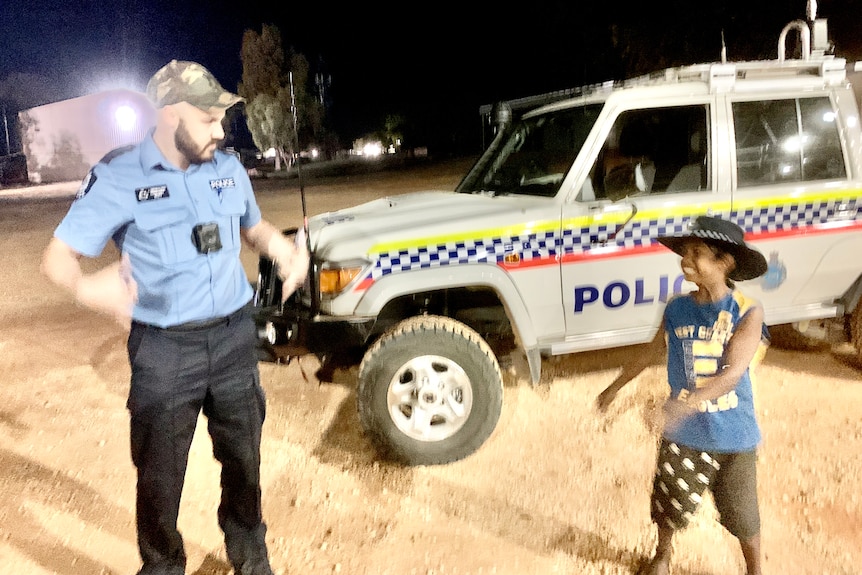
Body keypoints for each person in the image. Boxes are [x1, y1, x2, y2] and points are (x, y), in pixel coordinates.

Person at [41, 60, 309, 575]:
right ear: (168, 115)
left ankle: (250, 551)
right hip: (165, 352)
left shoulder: (227, 168)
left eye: (220, 119)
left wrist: (281, 249)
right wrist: (85, 287)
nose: (219, 129)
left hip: (233, 338)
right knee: (160, 476)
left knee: (244, 459)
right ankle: (163, 565)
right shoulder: (119, 176)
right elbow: (57, 259)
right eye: (207, 118)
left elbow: (253, 229)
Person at [596, 215, 769, 575]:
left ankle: (757, 569)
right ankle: (662, 555)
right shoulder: (677, 308)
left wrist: (680, 407)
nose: (685, 259)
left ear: (725, 262)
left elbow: (733, 373)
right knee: (669, 501)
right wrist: (613, 388)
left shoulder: (747, 311)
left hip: (733, 434)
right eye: (684, 252)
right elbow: (650, 352)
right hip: (685, 436)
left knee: (743, 516)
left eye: (698, 253)